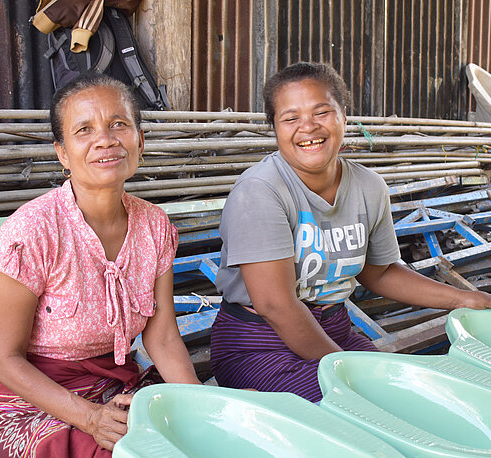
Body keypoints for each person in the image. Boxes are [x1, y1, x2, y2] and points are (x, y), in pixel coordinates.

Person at [0, 73, 203, 458]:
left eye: (119, 124)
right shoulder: (33, 231)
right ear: (62, 153)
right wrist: (90, 418)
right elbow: (4, 357)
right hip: (31, 404)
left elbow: (161, 337)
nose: (106, 140)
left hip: (113, 384)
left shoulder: (154, 225)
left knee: (197, 440)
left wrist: (206, 409)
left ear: (139, 140)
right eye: (84, 130)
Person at [210, 61, 491, 403]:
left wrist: (467, 299)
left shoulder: (368, 186)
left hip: (335, 330)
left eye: (322, 112)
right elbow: (277, 305)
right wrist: (350, 372)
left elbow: (381, 272)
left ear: (344, 114)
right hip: (259, 344)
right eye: (290, 118)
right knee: (365, 406)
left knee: (417, 396)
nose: (307, 127)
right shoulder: (260, 191)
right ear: (275, 127)